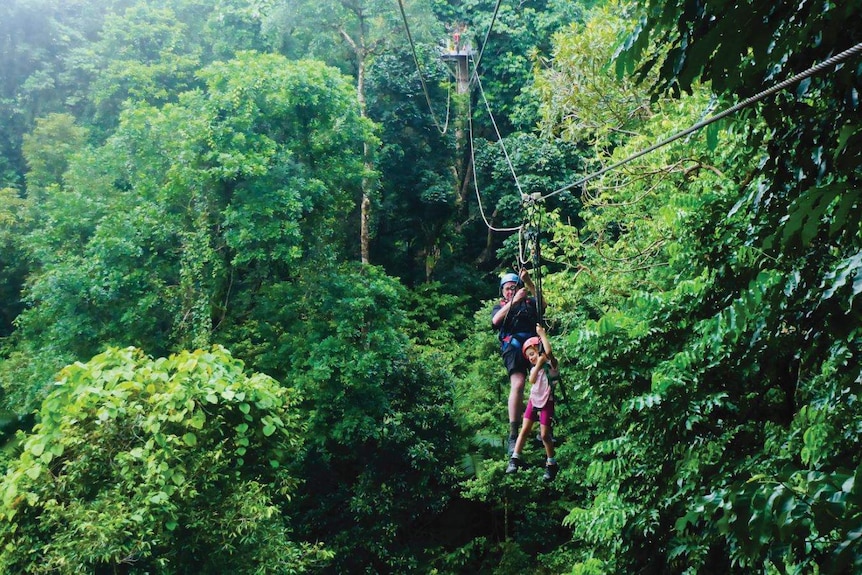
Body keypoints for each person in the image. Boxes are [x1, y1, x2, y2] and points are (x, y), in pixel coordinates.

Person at [491, 268, 544, 455]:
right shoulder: (501, 307)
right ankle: (514, 433)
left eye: (513, 287)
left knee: (540, 381)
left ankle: (543, 428)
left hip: (532, 346)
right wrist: (514, 300)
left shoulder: (529, 303)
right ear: (502, 292)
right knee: (519, 383)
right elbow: (496, 321)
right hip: (513, 347)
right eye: (507, 289)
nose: (510, 291)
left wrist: (528, 282)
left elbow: (544, 304)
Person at [505, 323, 560, 481]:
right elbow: (531, 379)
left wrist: (542, 334)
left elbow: (549, 352)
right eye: (529, 356)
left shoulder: (551, 365)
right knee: (524, 430)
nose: (531, 358)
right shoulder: (535, 368)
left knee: (544, 435)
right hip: (533, 401)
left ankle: (551, 464)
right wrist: (538, 363)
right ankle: (515, 458)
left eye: (533, 353)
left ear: (539, 351)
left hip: (546, 402)